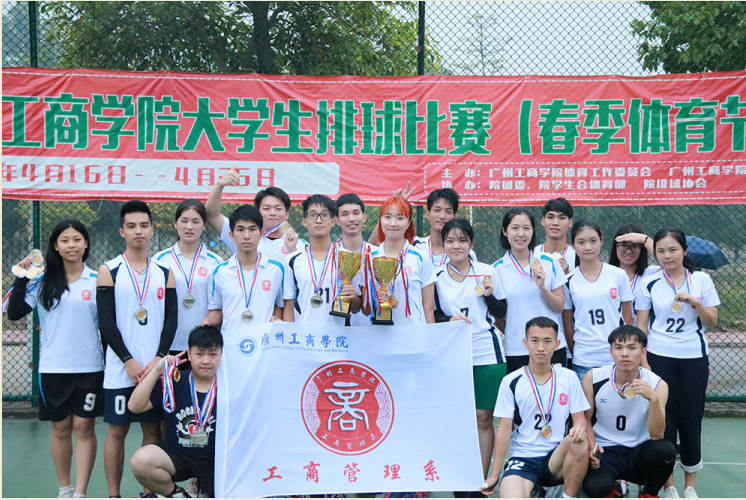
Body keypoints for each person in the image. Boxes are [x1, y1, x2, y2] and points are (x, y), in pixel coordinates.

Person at [6, 220, 102, 498]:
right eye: (65, 240)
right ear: (56, 246)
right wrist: (21, 277)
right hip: (53, 368)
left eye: (77, 239)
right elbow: (14, 313)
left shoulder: (98, 279)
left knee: (84, 427)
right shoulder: (42, 282)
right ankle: (65, 489)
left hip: (90, 367)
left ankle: (81, 492)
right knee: (60, 429)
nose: (72, 245)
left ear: (86, 244)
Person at [96, 200, 177, 498]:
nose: (138, 231)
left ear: (152, 229)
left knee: (152, 430)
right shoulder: (109, 270)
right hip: (121, 369)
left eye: (144, 225)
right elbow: (106, 321)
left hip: (154, 369)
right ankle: (114, 494)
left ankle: (148, 493)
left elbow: (171, 320)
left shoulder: (164, 271)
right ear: (122, 231)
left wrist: (158, 359)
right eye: (131, 226)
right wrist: (128, 361)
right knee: (117, 431)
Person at [635, 227, 720, 499]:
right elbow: (641, 326)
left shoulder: (701, 280)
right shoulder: (650, 282)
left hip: (693, 358)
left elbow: (712, 321)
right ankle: (668, 484)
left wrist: (696, 303)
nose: (667, 256)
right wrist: (644, 361)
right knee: (663, 421)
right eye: (661, 251)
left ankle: (690, 486)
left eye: (673, 249)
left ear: (684, 250)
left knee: (691, 420)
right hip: (659, 357)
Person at [433, 219, 507, 494]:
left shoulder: (487, 271)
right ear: (443, 245)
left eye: (462, 240)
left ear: (471, 244)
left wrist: (488, 295)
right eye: (450, 241)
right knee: (457, 418)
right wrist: (448, 320)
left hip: (486, 351)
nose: (456, 246)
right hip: (452, 354)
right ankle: (458, 477)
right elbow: (432, 314)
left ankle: (479, 481)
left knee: (483, 418)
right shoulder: (436, 276)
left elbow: (501, 311)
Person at [480, 317, 591, 499]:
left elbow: (580, 420)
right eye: (534, 340)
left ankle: (568, 496)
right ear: (526, 343)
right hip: (523, 457)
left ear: (557, 344)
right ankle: (535, 489)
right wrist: (495, 473)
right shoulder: (511, 381)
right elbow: (505, 428)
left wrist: (579, 428)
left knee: (578, 441)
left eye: (547, 341)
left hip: (556, 457)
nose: (541, 347)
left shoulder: (568, 378)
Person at [582, 325, 676, 498]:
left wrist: (653, 399)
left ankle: (648, 492)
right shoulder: (593, 378)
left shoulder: (658, 384)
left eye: (632, 348)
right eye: (618, 348)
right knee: (595, 487)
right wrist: (592, 448)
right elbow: (585, 420)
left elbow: (657, 435)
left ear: (643, 352)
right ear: (611, 351)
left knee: (666, 450)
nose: (624, 354)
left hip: (639, 452)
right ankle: (613, 488)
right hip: (606, 450)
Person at [129, 325, 222, 498]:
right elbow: (135, 406)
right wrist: (157, 370)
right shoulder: (173, 381)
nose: (206, 361)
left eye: (212, 354)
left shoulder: (230, 386)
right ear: (189, 354)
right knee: (140, 461)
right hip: (179, 457)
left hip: (217, 461)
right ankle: (177, 495)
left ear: (221, 354)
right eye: (199, 354)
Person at [492, 209, 569, 373]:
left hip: (551, 346)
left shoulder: (549, 261)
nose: (521, 234)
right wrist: (513, 331)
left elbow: (560, 306)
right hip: (517, 348)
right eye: (515, 228)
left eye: (526, 228)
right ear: (504, 231)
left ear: (533, 231)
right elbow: (497, 315)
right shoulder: (496, 269)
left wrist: (543, 287)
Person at [562, 220, 633, 382]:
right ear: (572, 245)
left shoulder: (618, 275)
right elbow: (567, 325)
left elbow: (628, 318)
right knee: (587, 400)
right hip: (584, 360)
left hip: (615, 358)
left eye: (593, 241)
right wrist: (577, 351)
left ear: (601, 241)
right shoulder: (568, 281)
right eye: (581, 242)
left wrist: (622, 349)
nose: (588, 247)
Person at [154, 200, 223, 361]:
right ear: (175, 224)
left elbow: (220, 305)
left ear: (204, 225)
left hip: (204, 346)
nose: (189, 227)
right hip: (168, 344)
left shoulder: (216, 262)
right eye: (184, 221)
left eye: (195, 221)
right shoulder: (160, 260)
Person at [283, 195, 363, 325]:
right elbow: (288, 305)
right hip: (305, 335)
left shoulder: (349, 258)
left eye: (325, 215)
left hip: (338, 335)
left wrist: (352, 296)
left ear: (333, 221)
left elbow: (356, 308)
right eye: (312, 215)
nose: (319, 220)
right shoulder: (292, 260)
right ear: (304, 221)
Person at [204, 205, 284, 331]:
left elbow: (280, 305)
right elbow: (216, 311)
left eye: (252, 229)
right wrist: (200, 331)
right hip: (230, 341)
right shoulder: (219, 271)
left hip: (264, 341)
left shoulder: (277, 270)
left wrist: (276, 322)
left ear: (261, 234)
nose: (246, 236)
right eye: (240, 230)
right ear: (231, 235)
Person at [205, 167, 305, 262]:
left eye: (278, 208)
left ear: (287, 214)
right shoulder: (243, 236)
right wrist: (220, 185)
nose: (272, 213)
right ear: (258, 212)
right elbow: (211, 215)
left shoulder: (299, 244)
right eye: (266, 208)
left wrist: (293, 250)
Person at [369, 195, 436, 325]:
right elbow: (364, 307)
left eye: (400, 218)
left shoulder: (421, 258)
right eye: (387, 217)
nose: (393, 223)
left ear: (408, 222)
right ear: (380, 220)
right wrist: (375, 298)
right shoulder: (370, 257)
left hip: (414, 334)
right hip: (379, 332)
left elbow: (428, 309)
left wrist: (430, 336)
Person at [608, 224, 660, 326]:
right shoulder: (606, 273)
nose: (628, 251)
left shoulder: (651, 274)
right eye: (623, 246)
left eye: (634, 246)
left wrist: (645, 239)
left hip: (641, 333)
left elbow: (667, 261)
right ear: (615, 247)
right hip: (612, 333)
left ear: (642, 249)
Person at [336, 193, 374, 326]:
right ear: (337, 220)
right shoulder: (330, 256)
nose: (351, 219)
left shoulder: (377, 255)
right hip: (337, 329)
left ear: (364, 217)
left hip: (373, 329)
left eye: (356, 213)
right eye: (345, 214)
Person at [534, 198, 576, 275]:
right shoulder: (532, 255)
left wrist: (566, 275)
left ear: (570, 223)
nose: (555, 223)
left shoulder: (577, 257)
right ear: (543, 221)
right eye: (550, 217)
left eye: (561, 218)